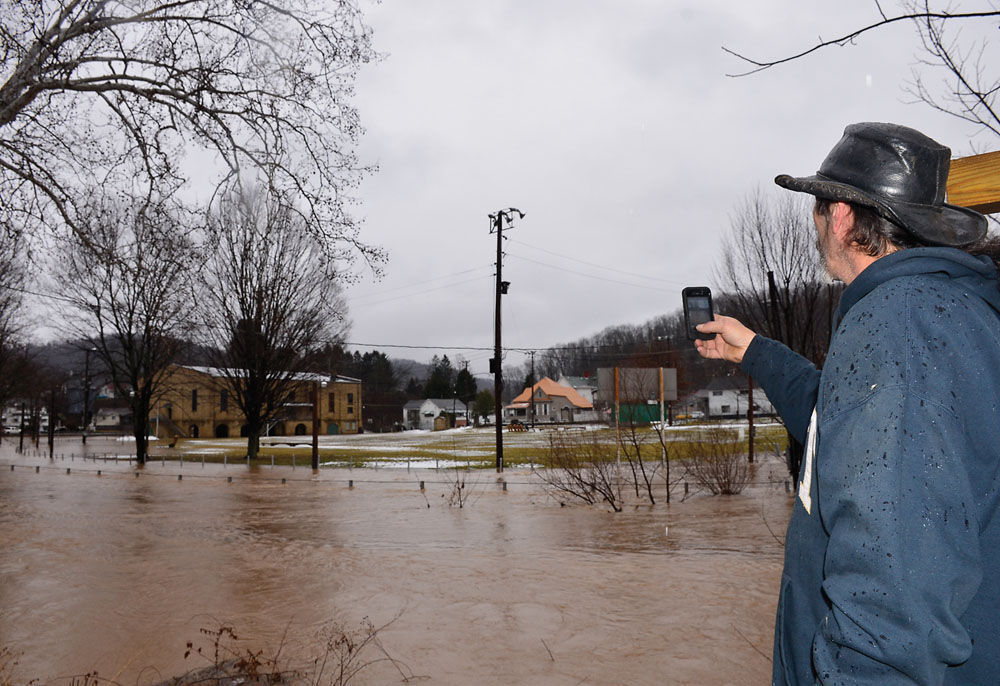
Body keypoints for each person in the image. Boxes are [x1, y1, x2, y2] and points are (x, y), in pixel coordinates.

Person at [695, 122, 1000, 685]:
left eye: (815, 211)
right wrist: (756, 353)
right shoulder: (943, 314)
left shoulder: (898, 324)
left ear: (839, 215)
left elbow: (894, 598)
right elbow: (837, 427)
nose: (814, 228)